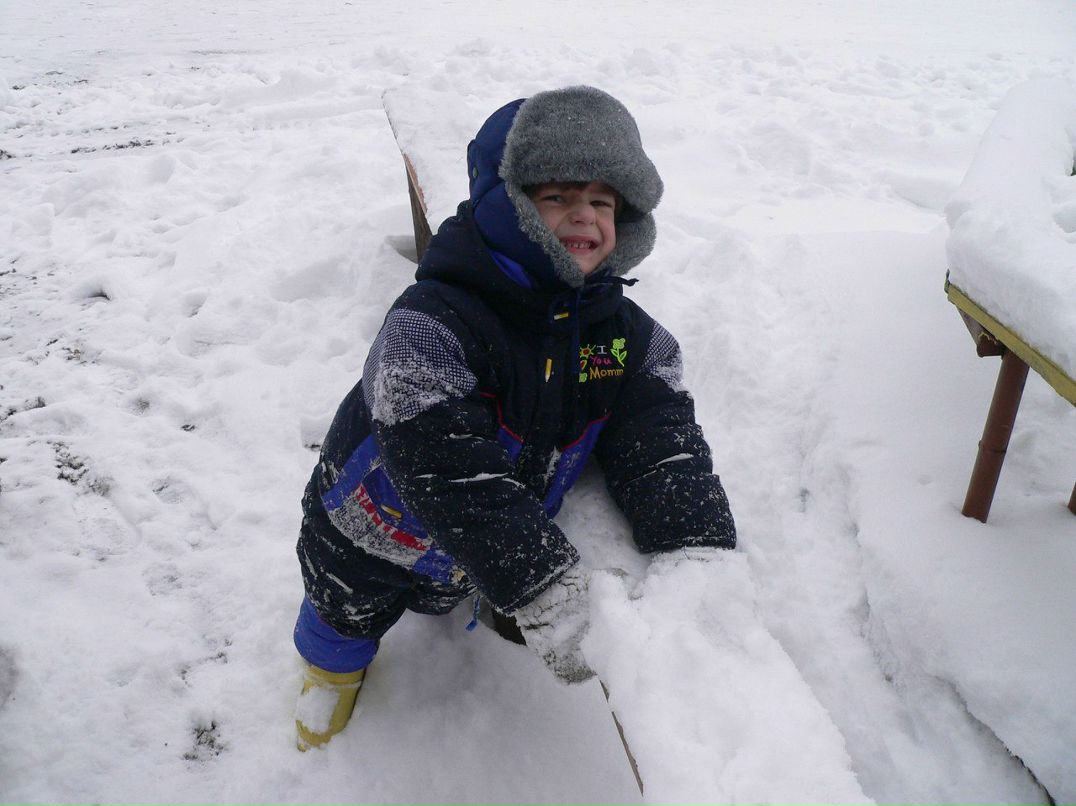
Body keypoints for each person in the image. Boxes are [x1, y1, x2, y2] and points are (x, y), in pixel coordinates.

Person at [292, 85, 736, 750]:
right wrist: (537, 578)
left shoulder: (626, 341)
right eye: (556, 196)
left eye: (603, 201)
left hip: (487, 543)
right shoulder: (433, 325)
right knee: (344, 611)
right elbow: (444, 467)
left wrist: (695, 549)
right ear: (509, 202)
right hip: (375, 528)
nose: (583, 215)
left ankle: (481, 596)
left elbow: (660, 441)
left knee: (479, 579)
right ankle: (330, 674)